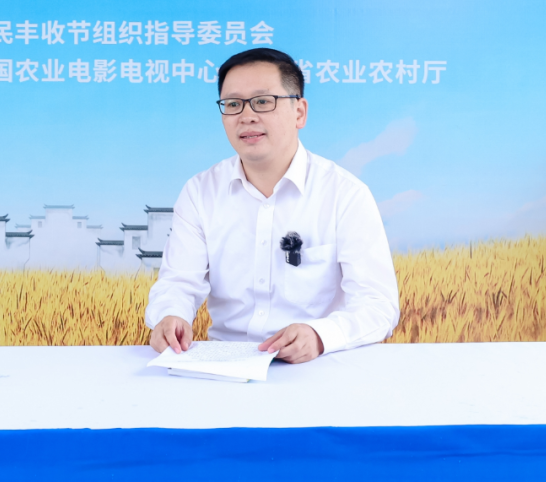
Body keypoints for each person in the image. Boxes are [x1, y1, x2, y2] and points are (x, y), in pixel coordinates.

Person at [145, 48, 399, 363]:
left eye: (263, 101)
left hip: (316, 366)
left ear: (299, 112)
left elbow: (378, 304)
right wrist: (170, 315)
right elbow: (179, 283)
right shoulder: (200, 192)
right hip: (223, 366)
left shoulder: (345, 194)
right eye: (233, 104)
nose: (246, 116)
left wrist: (320, 336)